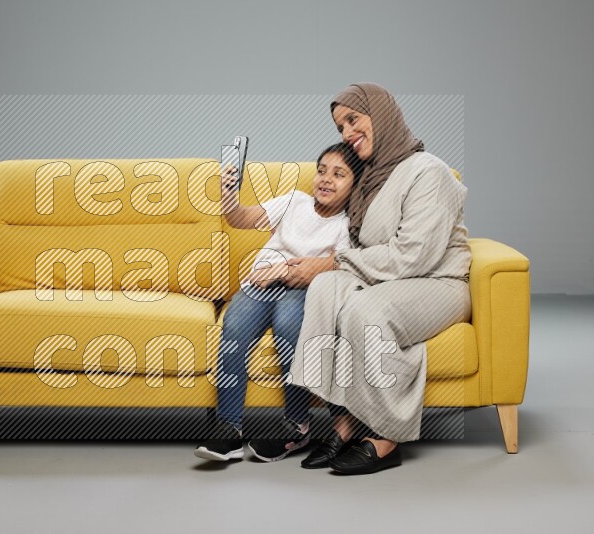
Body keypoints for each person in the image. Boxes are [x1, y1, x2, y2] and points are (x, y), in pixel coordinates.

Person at [287, 82, 473, 474]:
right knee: (325, 290)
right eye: (340, 127)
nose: (346, 133)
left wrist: (333, 263)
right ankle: (344, 419)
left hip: (437, 282)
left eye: (353, 119)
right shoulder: (370, 177)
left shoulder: (429, 171)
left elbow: (414, 256)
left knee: (364, 310)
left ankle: (388, 436)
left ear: (382, 114)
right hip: (387, 278)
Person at [194, 143, 363, 462]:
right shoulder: (294, 201)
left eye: (339, 174)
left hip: (303, 288)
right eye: (322, 171)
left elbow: (332, 265)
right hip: (261, 284)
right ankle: (229, 429)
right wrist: (229, 196)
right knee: (234, 329)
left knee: (289, 326)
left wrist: (281, 269)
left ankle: (296, 426)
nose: (326, 179)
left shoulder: (345, 225)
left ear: (355, 185)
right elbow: (240, 218)